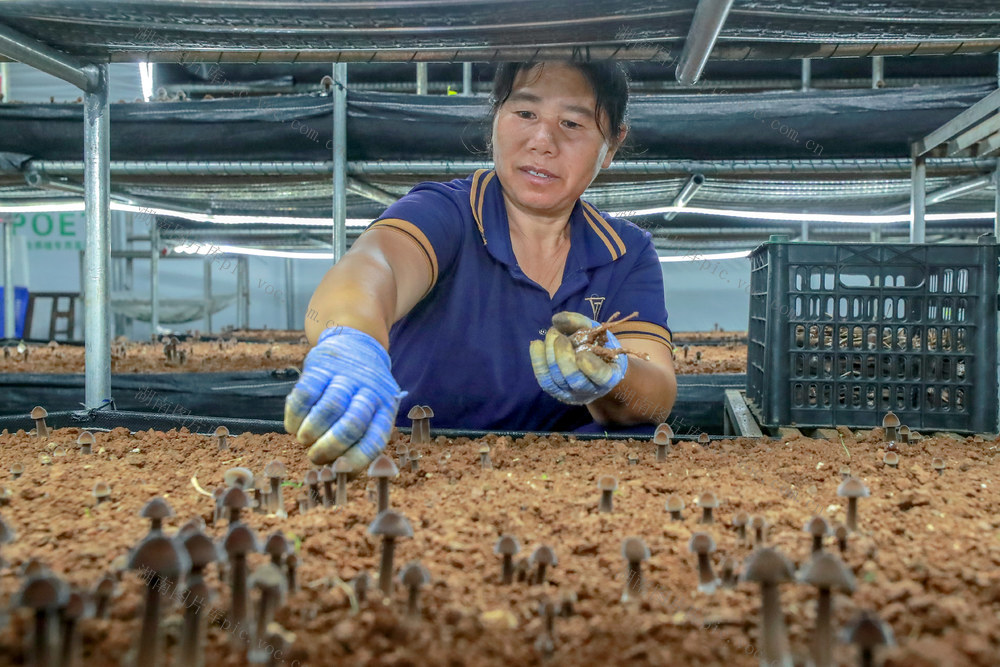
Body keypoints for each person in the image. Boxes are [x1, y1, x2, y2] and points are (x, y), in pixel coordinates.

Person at [285, 60, 677, 470]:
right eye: (525, 113)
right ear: (495, 119)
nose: (543, 141)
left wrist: (611, 372)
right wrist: (352, 340)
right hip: (416, 468)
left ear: (612, 144)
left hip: (562, 482)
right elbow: (375, 264)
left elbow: (656, 396)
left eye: (573, 124)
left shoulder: (624, 252)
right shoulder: (445, 213)